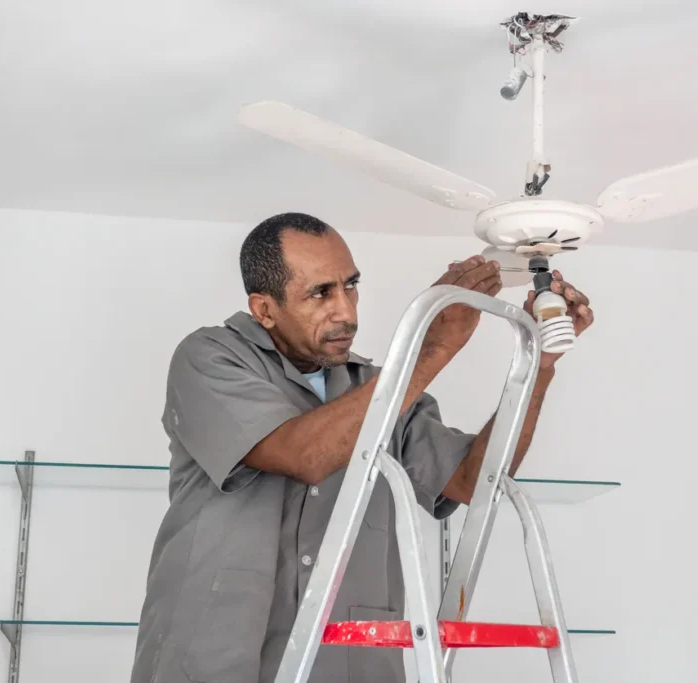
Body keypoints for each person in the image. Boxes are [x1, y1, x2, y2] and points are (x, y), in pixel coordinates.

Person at [130, 212, 594, 683]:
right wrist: (428, 350)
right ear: (264, 309)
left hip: (348, 663)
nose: (346, 312)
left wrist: (540, 364)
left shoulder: (380, 387)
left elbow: (476, 481)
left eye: (350, 286)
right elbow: (303, 455)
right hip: (215, 659)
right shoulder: (209, 359)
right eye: (320, 293)